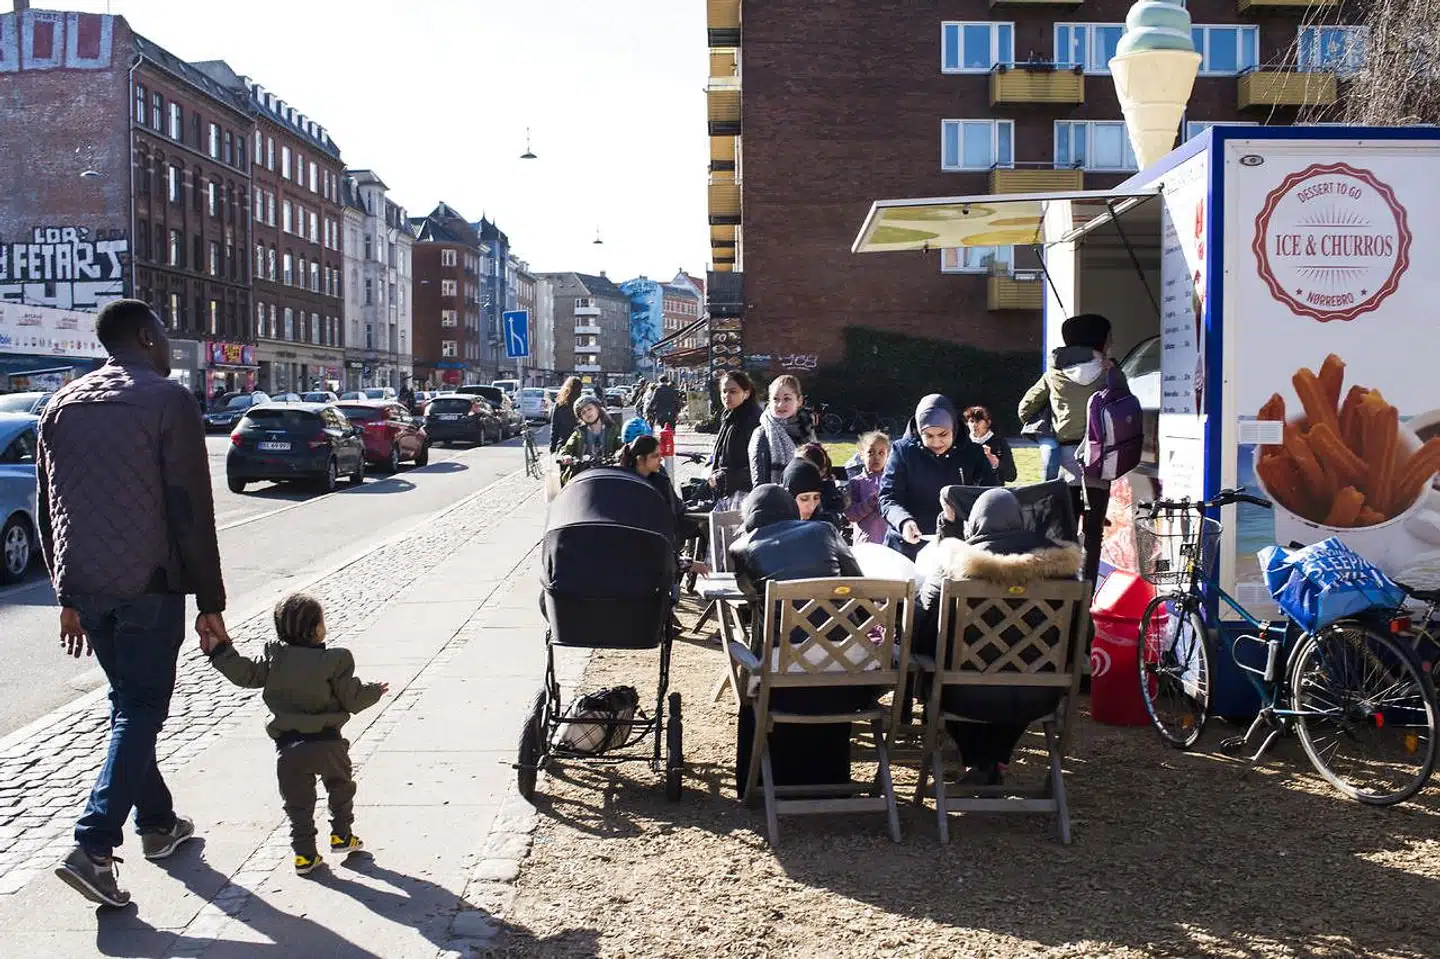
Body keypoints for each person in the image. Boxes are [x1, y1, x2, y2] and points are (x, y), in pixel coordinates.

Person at [38, 299, 229, 909]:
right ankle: (92, 845)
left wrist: (65, 595)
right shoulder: (167, 400)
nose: (171, 346)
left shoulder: (61, 403)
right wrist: (210, 599)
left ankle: (158, 824)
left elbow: (51, 509)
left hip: (88, 588)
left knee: (128, 706)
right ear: (146, 337)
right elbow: (189, 508)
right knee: (142, 706)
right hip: (148, 584)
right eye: (166, 335)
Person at [204, 594, 387, 875]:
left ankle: (304, 855)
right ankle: (341, 836)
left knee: (298, 804)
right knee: (340, 788)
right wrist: (374, 690)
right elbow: (352, 698)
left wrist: (219, 652)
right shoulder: (335, 660)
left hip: (289, 748)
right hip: (328, 743)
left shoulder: (274, 659)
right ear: (317, 629)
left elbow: (245, 674)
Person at [915, 486, 1082, 786]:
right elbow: (1086, 632)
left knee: (938, 670)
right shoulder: (1061, 569)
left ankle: (979, 761)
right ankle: (995, 760)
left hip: (962, 693)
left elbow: (923, 626)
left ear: (974, 524)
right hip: (1038, 695)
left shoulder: (953, 564)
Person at [729, 485, 868, 788]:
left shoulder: (740, 548)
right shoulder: (824, 531)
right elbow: (859, 585)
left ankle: (764, 782)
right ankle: (831, 779)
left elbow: (751, 597)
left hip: (784, 684)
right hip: (848, 679)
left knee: (757, 662)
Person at [1017, 313, 1125, 586]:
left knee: (1062, 531)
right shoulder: (1110, 371)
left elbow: (1024, 409)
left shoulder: (1053, 372)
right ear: (1100, 339)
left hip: (1064, 464)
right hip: (1099, 462)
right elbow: (1125, 404)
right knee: (1093, 533)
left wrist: (1049, 422)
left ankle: (1062, 591)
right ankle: (1087, 592)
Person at [879, 394, 998, 560]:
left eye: (943, 434)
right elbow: (888, 497)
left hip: (957, 544)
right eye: (928, 435)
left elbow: (992, 495)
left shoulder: (972, 453)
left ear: (954, 429)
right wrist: (903, 521)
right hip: (908, 544)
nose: (936, 443)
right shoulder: (903, 451)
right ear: (918, 431)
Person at [707, 371, 763, 511]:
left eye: (733, 391)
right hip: (725, 489)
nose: (727, 396)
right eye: (724, 391)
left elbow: (756, 465)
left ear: (746, 393)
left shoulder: (752, 420)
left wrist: (724, 478)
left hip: (743, 493)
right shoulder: (729, 416)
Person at [748, 374, 816, 488]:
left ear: (799, 400)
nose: (780, 405)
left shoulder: (807, 430)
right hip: (775, 501)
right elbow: (759, 485)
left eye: (787, 399)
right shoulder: (762, 434)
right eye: (775, 399)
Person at [557, 395, 621, 483]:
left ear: (598, 408)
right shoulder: (578, 434)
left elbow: (623, 446)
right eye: (583, 412)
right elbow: (565, 450)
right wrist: (566, 456)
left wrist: (619, 454)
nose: (587, 413)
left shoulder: (614, 430)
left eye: (589, 409)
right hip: (584, 476)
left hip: (609, 474)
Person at [844, 431, 891, 545]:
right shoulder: (856, 483)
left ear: (887, 455)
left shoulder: (891, 480)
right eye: (871, 452)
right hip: (866, 542)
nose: (876, 457)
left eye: (881, 453)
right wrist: (869, 504)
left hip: (889, 542)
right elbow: (850, 514)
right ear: (862, 455)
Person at [963, 406, 1017, 485]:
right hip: (967, 491)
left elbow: (1011, 476)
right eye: (971, 421)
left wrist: (996, 462)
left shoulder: (1000, 443)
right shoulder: (963, 443)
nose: (974, 425)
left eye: (978, 421)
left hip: (992, 490)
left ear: (988, 423)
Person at [549, 376, 582, 454]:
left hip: (563, 444)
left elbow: (555, 427)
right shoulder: (581, 404)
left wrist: (553, 447)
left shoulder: (559, 405)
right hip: (580, 444)